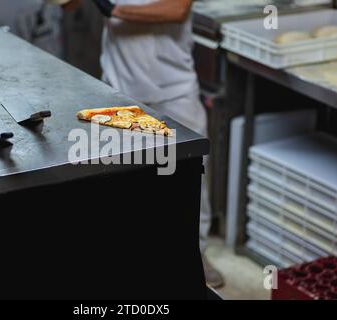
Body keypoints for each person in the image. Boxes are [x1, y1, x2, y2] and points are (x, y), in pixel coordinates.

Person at [51, 0, 224, 288]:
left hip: (174, 91)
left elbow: (176, 9)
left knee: (192, 181)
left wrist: (113, 10)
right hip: (120, 93)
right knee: (123, 180)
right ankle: (129, 259)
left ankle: (196, 255)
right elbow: (66, 5)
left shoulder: (118, 8)